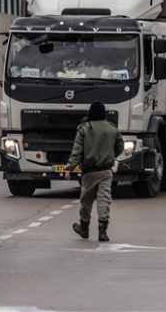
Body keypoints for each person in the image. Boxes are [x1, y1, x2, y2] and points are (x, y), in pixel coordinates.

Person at [64, 100, 124, 242]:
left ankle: (84, 228)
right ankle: (103, 231)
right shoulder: (112, 128)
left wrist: (70, 168)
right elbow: (120, 147)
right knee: (104, 199)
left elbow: (77, 151)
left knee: (86, 200)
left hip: (89, 171)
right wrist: (110, 156)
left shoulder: (84, 128)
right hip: (106, 171)